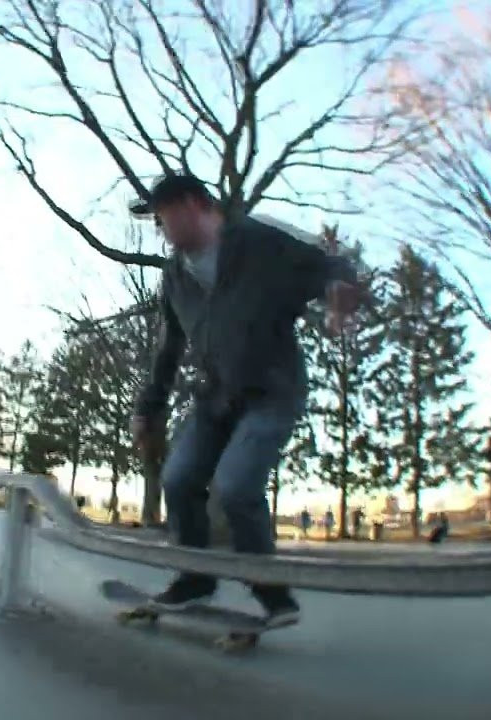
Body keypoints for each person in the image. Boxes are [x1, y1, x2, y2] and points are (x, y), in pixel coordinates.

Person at [128, 173, 366, 627]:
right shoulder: (175, 278)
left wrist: (340, 292)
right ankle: (195, 579)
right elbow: (168, 350)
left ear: (197, 204)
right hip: (215, 398)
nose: (161, 229)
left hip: (273, 390)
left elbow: (326, 264)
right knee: (178, 480)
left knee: (236, 486)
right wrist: (148, 408)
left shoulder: (258, 240)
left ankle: (274, 595)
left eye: (164, 217)